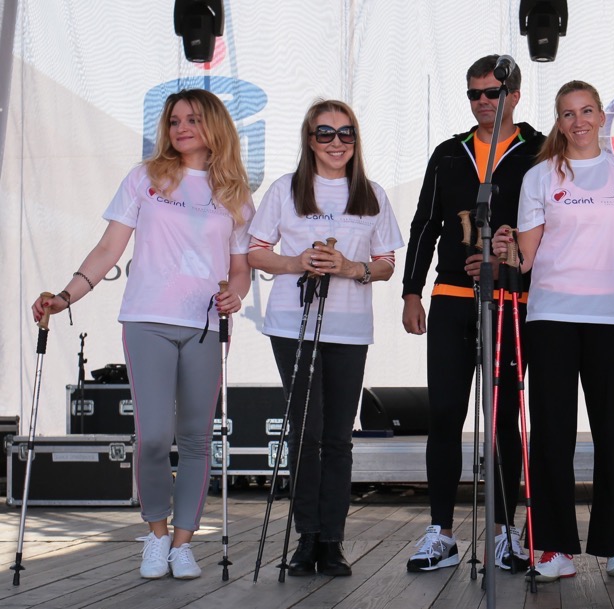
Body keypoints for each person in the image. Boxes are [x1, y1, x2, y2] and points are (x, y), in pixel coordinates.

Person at [31, 89, 253, 580]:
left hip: (204, 325)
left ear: (214, 125)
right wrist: (65, 296)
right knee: (153, 437)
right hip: (147, 319)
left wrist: (235, 296)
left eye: (192, 119)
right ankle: (156, 534)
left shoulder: (234, 193)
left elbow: (240, 270)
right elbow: (108, 248)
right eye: (174, 121)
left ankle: (184, 543)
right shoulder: (145, 178)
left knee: (196, 439)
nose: (181, 128)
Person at [491, 81, 614, 582]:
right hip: (551, 316)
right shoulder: (539, 176)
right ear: (558, 121)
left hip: (611, 317)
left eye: (586, 111)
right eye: (567, 114)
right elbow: (525, 257)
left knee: (611, 432)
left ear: (601, 116)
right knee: (552, 433)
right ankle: (553, 547)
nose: (578, 121)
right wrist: (503, 249)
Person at [401, 55, 545, 573]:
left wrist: (511, 262)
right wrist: (411, 291)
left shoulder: (540, 151)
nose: (483, 101)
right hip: (452, 298)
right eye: (474, 94)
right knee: (444, 414)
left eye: (492, 92)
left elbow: (555, 225)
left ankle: (505, 531)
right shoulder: (449, 153)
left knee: (504, 417)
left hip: (511, 301)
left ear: (514, 96)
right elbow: (424, 224)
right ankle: (440, 532)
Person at [248, 100, 403, 577]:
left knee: (338, 437)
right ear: (310, 139)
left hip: (349, 329)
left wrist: (353, 269)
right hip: (292, 325)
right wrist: (297, 262)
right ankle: (306, 537)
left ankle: (332, 541)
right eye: (325, 133)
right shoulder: (286, 189)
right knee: (307, 431)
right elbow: (256, 252)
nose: (337, 142)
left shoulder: (371, 193)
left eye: (346, 132)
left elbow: (385, 264)